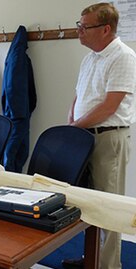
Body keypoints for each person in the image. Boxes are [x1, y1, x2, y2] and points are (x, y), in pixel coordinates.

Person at [66, 3, 136, 269]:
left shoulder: (123, 56)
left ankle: (108, 265)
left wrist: (74, 128)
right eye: (79, 25)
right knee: (87, 203)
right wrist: (71, 122)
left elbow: (109, 106)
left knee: (108, 206)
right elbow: (78, 96)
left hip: (108, 139)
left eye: (85, 27)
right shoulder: (90, 57)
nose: (79, 31)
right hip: (84, 136)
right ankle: (91, 258)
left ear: (106, 29)